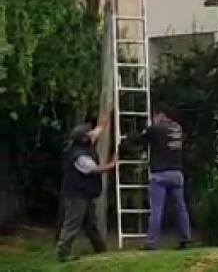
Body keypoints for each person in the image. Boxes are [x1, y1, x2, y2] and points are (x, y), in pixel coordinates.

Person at [120, 102, 192, 250]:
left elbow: (140, 139)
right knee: (181, 208)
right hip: (177, 173)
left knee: (156, 210)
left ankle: (151, 243)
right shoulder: (178, 128)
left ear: (160, 115)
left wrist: (125, 140)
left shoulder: (156, 129)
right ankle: (186, 238)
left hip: (160, 174)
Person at [56, 113, 117, 262]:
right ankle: (63, 252)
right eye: (87, 132)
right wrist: (112, 164)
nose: (91, 133)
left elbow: (99, 129)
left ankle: (100, 249)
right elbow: (94, 169)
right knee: (72, 223)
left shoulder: (84, 143)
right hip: (76, 195)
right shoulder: (80, 155)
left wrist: (107, 115)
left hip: (85, 193)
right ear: (83, 138)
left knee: (91, 223)